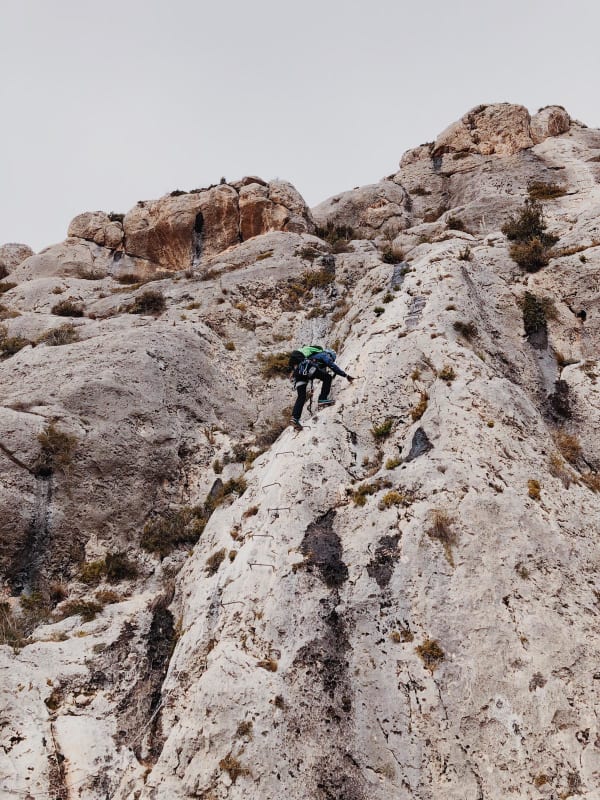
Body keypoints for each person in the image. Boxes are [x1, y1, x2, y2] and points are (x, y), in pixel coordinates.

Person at [290, 348, 354, 428]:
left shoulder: (312, 358)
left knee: (301, 396)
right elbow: (331, 365)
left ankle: (295, 418)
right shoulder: (324, 354)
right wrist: (345, 375)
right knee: (327, 377)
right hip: (308, 370)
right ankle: (322, 398)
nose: (331, 360)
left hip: (298, 374)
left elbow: (319, 372)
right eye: (332, 358)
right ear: (329, 355)